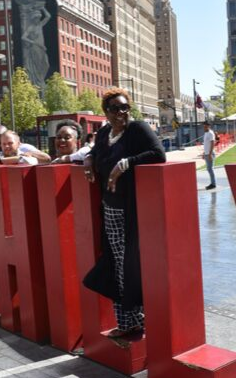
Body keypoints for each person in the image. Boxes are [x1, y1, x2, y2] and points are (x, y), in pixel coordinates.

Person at [82, 88, 166, 338]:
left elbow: (158, 154)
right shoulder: (105, 133)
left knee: (126, 264)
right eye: (115, 109)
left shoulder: (137, 128)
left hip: (130, 210)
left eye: (125, 107)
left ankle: (132, 321)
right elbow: (95, 153)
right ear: (105, 113)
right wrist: (88, 160)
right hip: (110, 208)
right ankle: (132, 320)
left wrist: (127, 163)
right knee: (117, 263)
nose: (122, 113)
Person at [202, 121, 216, 190]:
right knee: (209, 169)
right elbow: (205, 144)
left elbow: (212, 143)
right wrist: (204, 153)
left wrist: (210, 154)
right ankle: (212, 183)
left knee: (210, 169)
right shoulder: (206, 133)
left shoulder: (210, 133)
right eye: (203, 126)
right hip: (207, 154)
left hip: (210, 154)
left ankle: (213, 184)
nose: (204, 127)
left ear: (208, 126)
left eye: (205, 126)